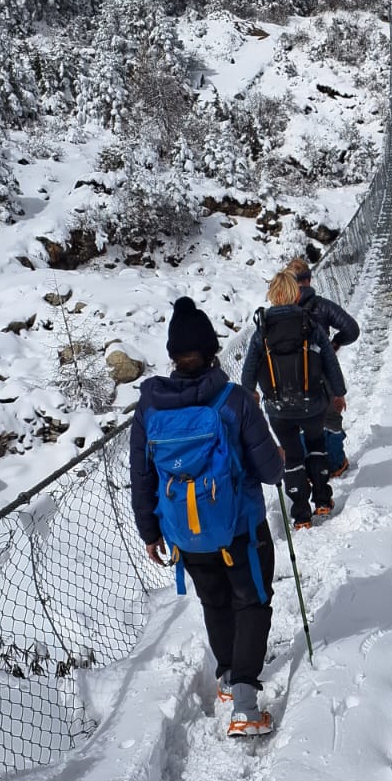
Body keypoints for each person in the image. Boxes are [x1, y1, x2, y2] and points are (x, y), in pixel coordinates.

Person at [130, 296, 283, 738]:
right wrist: (276, 456)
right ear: (213, 351)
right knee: (251, 601)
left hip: (185, 534)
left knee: (215, 601)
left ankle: (227, 675)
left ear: (174, 355)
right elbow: (271, 472)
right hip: (239, 527)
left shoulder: (150, 408)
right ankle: (246, 705)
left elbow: (141, 473)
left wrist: (150, 530)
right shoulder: (232, 401)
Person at [242, 270, 346, 530]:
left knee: (291, 456)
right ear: (295, 293)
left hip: (279, 408)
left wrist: (250, 393)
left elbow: (249, 372)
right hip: (313, 403)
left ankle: (301, 515)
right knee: (316, 444)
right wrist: (339, 393)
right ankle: (322, 500)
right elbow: (330, 363)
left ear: (272, 296)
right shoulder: (309, 323)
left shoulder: (262, 330)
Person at [286, 255, 359, 476]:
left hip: (292, 377)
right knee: (331, 419)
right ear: (308, 279)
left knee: (301, 423)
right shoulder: (322, 306)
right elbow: (351, 329)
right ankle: (336, 465)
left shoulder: (280, 311)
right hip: (323, 373)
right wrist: (335, 343)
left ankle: (310, 471)